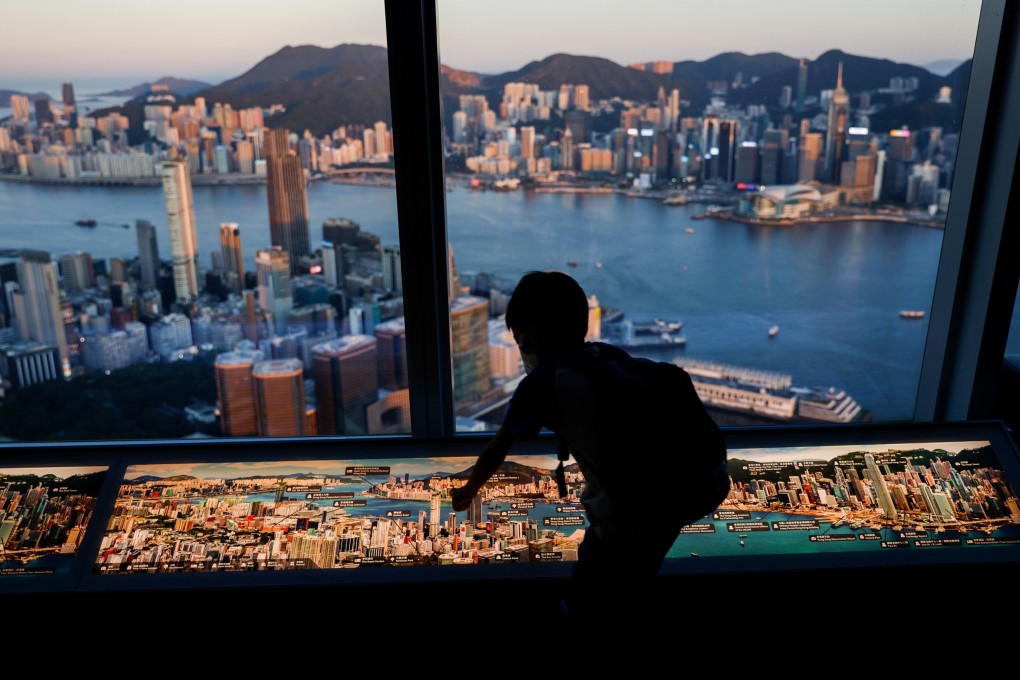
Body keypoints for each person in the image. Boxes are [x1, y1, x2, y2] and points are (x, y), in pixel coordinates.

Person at [450, 270, 722, 625]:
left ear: (529, 336)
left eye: (518, 343)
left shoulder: (542, 382)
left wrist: (469, 489)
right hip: (688, 492)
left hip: (629, 516)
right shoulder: (606, 354)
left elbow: (497, 449)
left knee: (587, 599)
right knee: (632, 587)